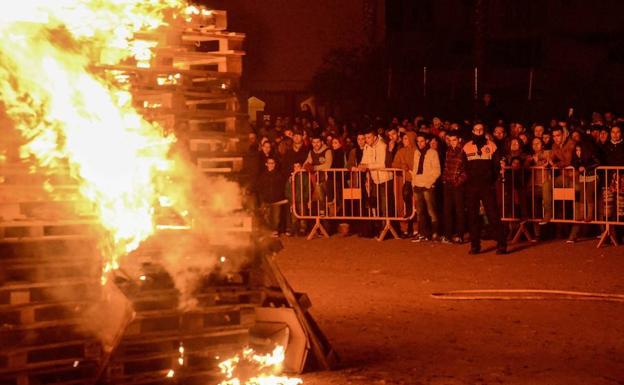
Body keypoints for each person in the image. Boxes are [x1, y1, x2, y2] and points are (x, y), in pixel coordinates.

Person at [462, 123, 507, 254]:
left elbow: (496, 166)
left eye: (481, 129)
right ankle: (475, 245)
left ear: (484, 131)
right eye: (476, 129)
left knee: (493, 215)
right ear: (473, 131)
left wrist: (491, 180)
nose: (479, 131)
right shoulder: (466, 146)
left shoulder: (492, 146)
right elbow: (465, 166)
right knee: (472, 216)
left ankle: (501, 244)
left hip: (487, 186)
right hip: (472, 186)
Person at [567, 141, 600, 243]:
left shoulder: (590, 155)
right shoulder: (577, 158)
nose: (578, 152)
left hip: (593, 176)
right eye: (576, 150)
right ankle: (582, 214)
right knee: (582, 195)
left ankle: (590, 214)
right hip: (583, 177)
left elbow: (598, 162)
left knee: (589, 194)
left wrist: (586, 168)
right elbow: (573, 163)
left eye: (580, 150)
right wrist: (577, 167)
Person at [410, 133, 441, 242]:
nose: (419, 143)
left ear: (426, 141)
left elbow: (437, 170)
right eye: (418, 141)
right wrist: (414, 182)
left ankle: (435, 233)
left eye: (422, 141)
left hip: (427, 185)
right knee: (420, 211)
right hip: (417, 185)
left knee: (431, 210)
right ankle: (423, 233)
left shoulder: (432, 153)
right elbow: (415, 168)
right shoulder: (416, 153)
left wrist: (429, 182)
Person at [359, 127, 394, 218]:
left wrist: (367, 166)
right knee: (376, 205)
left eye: (369, 137)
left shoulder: (382, 145)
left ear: (375, 137)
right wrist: (361, 165)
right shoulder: (367, 147)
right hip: (375, 180)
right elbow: (364, 160)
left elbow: (382, 164)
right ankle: (380, 227)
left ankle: (387, 227)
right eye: (366, 138)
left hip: (385, 179)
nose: (366, 140)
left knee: (385, 205)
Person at [441, 132, 467, 243]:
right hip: (448, 183)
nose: (452, 142)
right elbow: (446, 166)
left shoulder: (464, 151)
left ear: (459, 139)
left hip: (457, 184)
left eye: (454, 140)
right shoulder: (448, 151)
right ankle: (448, 234)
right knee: (447, 210)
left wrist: (459, 181)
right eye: (450, 140)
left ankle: (460, 235)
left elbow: (467, 170)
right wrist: (444, 178)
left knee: (459, 210)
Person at [258, 158, 286, 237]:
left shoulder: (279, 175)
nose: (271, 165)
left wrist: (280, 196)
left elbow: (282, 186)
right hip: (266, 199)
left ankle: (275, 231)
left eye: (272, 163)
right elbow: (260, 187)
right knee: (267, 216)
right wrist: (263, 197)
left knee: (276, 217)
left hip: (277, 200)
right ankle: (268, 231)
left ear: (275, 164)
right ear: (266, 164)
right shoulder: (263, 176)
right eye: (269, 163)